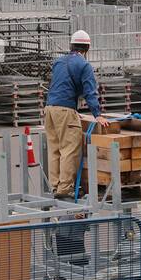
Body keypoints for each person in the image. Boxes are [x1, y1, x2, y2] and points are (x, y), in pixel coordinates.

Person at [43, 31, 110, 199]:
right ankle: (65, 188)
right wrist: (97, 115)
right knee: (69, 149)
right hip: (65, 109)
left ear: (71, 45)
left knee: (54, 149)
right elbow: (90, 91)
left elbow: (62, 84)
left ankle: (55, 185)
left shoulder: (58, 61)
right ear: (87, 48)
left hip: (50, 109)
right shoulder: (83, 65)